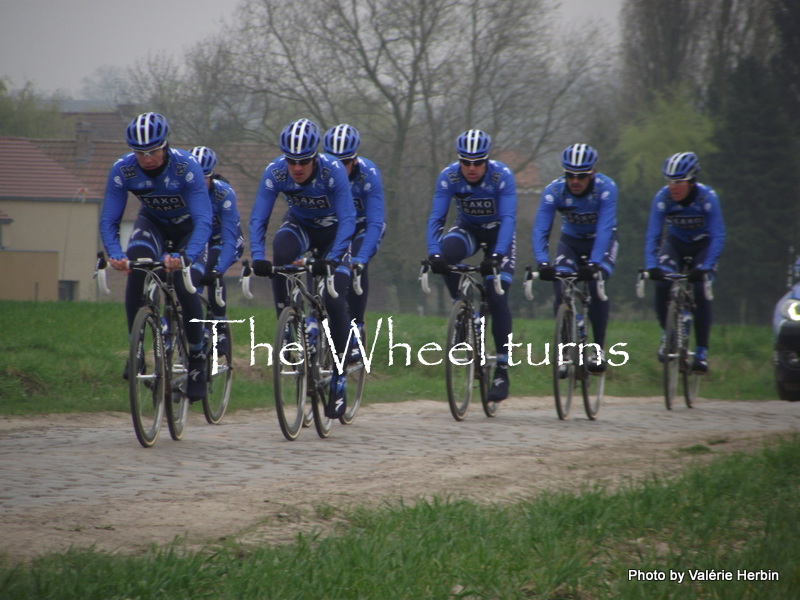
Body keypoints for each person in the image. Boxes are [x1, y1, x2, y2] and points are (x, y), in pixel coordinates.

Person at [99, 112, 213, 401]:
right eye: (140, 152)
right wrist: (114, 254)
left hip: (189, 232)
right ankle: (135, 349)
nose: (147, 158)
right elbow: (109, 219)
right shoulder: (123, 170)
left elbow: (203, 220)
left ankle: (198, 358)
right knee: (137, 263)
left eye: (153, 151)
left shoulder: (186, 167)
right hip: (153, 226)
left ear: (165, 145)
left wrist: (187, 256)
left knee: (183, 283)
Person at [249, 118, 356, 418]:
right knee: (280, 252)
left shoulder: (332, 170)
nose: (297, 167)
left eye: (304, 161)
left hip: (335, 235)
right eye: (291, 160)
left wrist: (333, 259)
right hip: (301, 227)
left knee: (335, 301)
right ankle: (287, 323)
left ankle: (338, 377)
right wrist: (258, 256)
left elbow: (349, 219)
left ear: (315, 157)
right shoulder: (276, 172)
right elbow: (259, 218)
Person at [426, 129, 517, 402]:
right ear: (459, 161)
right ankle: (465, 312)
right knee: (446, 257)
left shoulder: (502, 176)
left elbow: (509, 218)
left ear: (487, 161)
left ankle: (502, 368)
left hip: (499, 235)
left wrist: (498, 255)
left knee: (497, 295)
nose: (472, 168)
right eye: (466, 162)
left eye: (478, 162)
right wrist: (433, 254)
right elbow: (437, 218)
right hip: (468, 230)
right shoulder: (449, 176)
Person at [532, 143, 618, 372]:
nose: (575, 181)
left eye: (581, 176)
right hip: (570, 242)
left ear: (592, 173)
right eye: (570, 175)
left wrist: (594, 263)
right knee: (560, 285)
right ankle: (565, 346)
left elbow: (605, 229)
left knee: (595, 282)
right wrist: (542, 262)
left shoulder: (606, 188)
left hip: (602, 242)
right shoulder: (554, 191)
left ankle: (598, 350)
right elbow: (541, 229)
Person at [644, 152, 726, 372]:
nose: (673, 187)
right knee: (662, 284)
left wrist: (707, 266)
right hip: (676, 245)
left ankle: (701, 352)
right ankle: (667, 334)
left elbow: (718, 235)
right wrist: (651, 265)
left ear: (691, 181)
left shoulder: (707, 197)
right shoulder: (663, 198)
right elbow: (653, 234)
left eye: (678, 182)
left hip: (703, 246)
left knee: (700, 290)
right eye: (669, 181)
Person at [322, 124, 386, 362]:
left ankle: (356, 326)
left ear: (355, 160)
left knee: (357, 261)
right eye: (334, 162)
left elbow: (376, 221)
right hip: (335, 227)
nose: (339, 168)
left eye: (345, 162)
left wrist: (359, 260)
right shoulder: (318, 172)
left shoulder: (369, 173)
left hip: (363, 227)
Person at [190, 145, 245, 355]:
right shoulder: (182, 192)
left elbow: (230, 236)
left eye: (203, 178)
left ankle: (220, 327)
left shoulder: (223, 193)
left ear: (211, 177)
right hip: (200, 241)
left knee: (211, 268)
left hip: (225, 240)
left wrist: (219, 269)